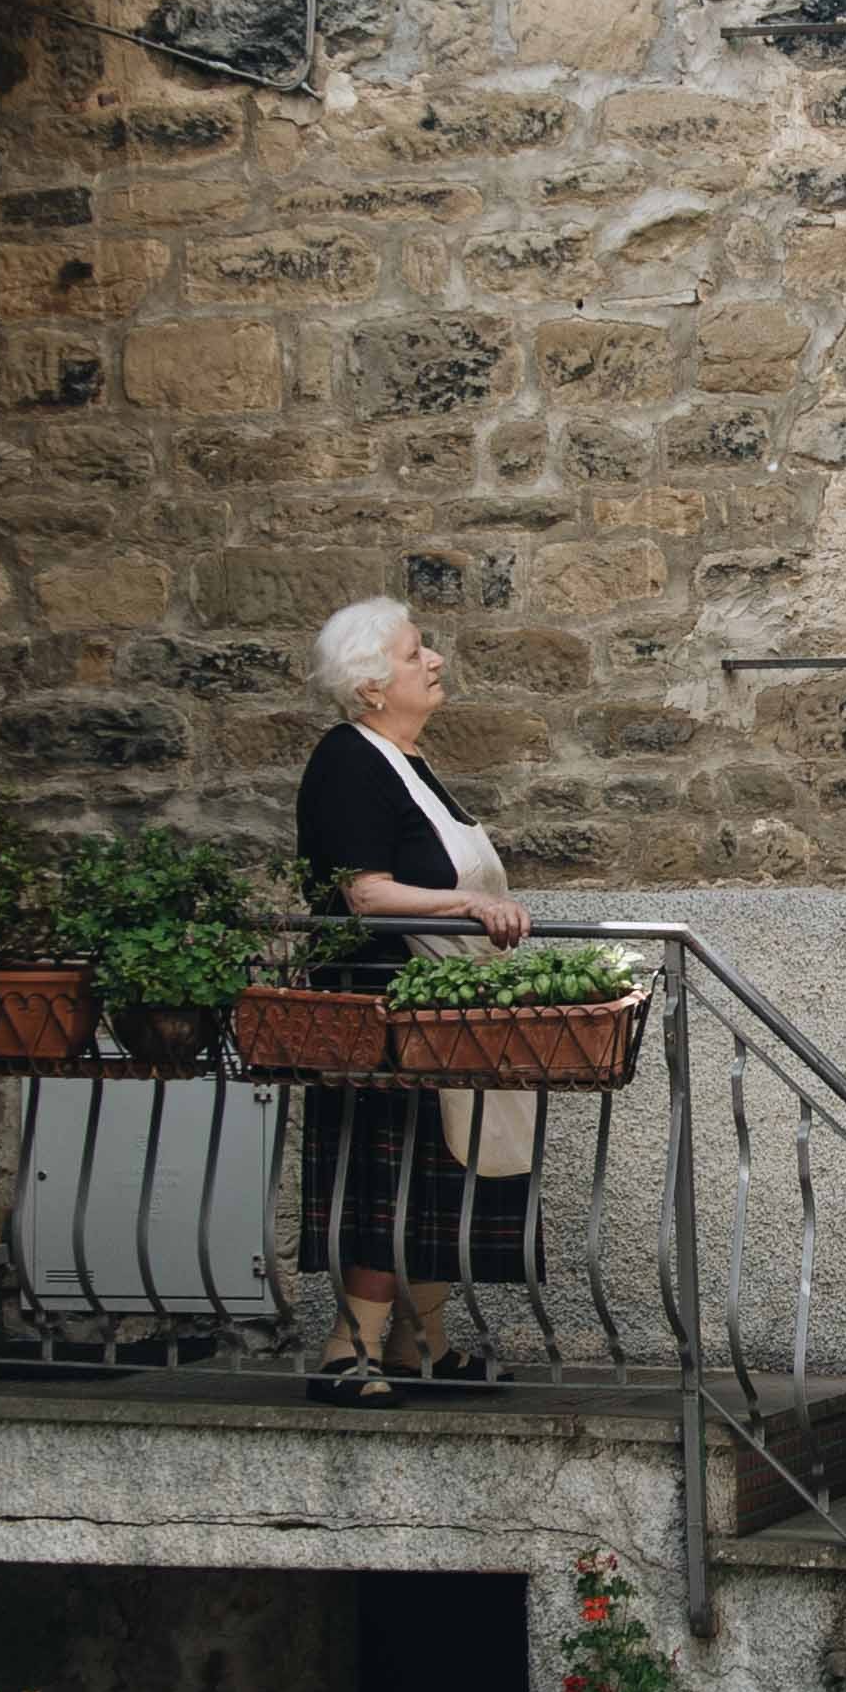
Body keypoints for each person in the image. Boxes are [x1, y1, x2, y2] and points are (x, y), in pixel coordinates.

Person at [294, 595, 536, 1390]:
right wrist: (469, 905)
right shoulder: (347, 760)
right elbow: (363, 894)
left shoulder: (410, 765)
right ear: (369, 687)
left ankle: (420, 1344)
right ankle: (349, 1347)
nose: (433, 661)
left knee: (438, 1175)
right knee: (386, 1177)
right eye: (413, 653)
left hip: (445, 1006)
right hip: (385, 1007)